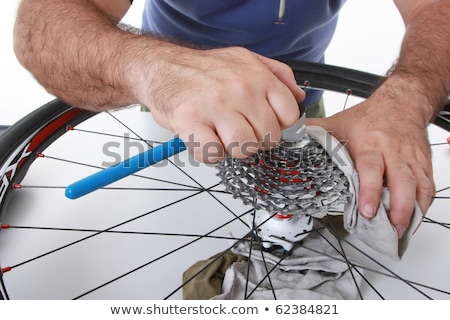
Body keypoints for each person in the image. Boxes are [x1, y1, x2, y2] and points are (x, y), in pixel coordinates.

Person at [13, 0, 450, 239]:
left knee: (291, 199)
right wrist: (154, 71)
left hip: (301, 101)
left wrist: (408, 95)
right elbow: (44, 22)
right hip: (179, 101)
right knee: (169, 219)